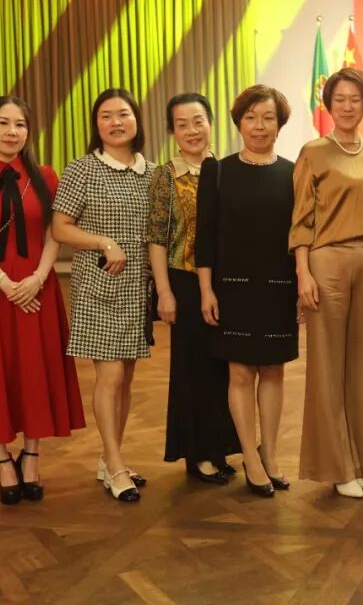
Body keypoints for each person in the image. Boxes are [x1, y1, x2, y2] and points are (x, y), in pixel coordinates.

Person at [0, 96, 85, 505]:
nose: (13, 132)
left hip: (36, 286)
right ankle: (0, 460)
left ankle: (31, 456)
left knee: (33, 369)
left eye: (21, 124)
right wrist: (5, 283)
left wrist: (38, 278)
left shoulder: (45, 176)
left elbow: (54, 233)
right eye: (4, 123)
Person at [52, 88, 156, 503]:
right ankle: (114, 465)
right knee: (110, 376)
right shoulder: (82, 169)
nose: (116, 122)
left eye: (123, 114)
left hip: (137, 289)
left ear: (136, 120)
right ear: (96, 125)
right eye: (106, 116)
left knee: (125, 377)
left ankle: (110, 457)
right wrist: (103, 242)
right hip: (98, 285)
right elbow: (60, 227)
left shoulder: (151, 172)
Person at [291, 67, 363, 499]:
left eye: (355, 99)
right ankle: (337, 466)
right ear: (328, 104)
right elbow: (301, 219)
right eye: (339, 99)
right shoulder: (313, 152)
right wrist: (303, 272)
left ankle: (362, 462)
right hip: (326, 260)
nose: (347, 106)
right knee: (327, 367)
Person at [197, 85, 298, 498]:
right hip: (232, 288)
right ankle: (250, 459)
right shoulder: (217, 171)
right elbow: (205, 237)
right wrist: (206, 290)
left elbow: (300, 235)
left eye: (268, 117)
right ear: (239, 122)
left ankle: (269, 455)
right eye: (251, 117)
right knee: (240, 372)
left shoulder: (293, 172)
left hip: (279, 286)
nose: (259, 126)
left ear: (279, 124)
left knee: (273, 370)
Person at [148, 93, 239, 486]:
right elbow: (156, 238)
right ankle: (198, 453)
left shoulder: (227, 170)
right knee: (193, 369)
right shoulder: (166, 176)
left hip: (226, 282)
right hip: (184, 281)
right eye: (181, 124)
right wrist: (164, 292)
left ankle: (220, 448)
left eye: (198, 121)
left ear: (211, 123)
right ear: (172, 131)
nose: (191, 131)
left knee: (225, 369)